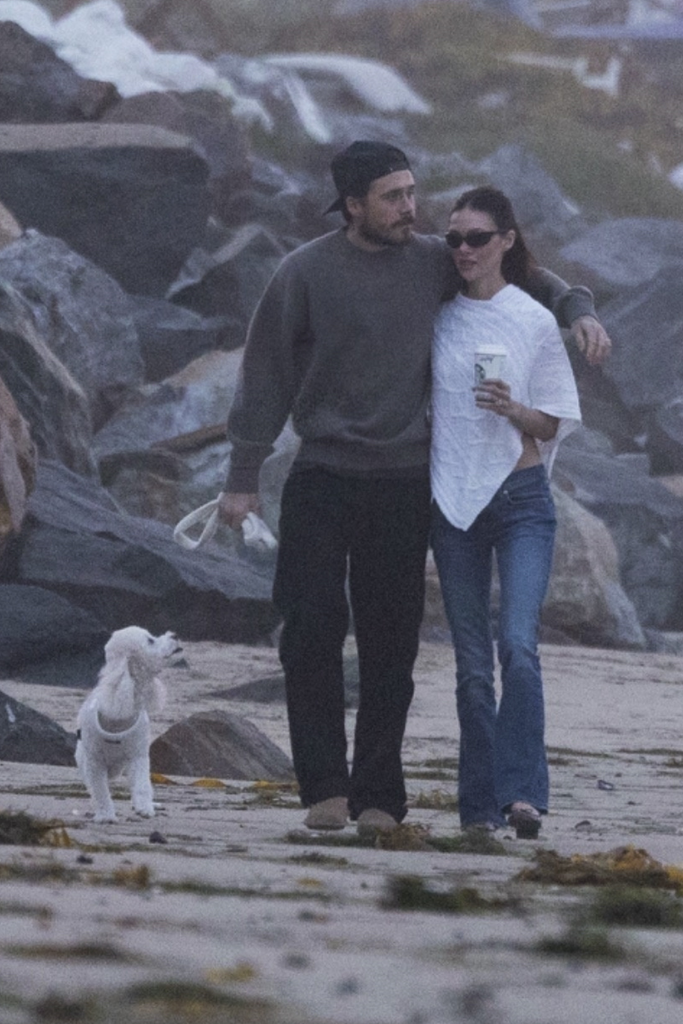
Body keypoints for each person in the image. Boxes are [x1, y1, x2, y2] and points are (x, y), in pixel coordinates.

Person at [218, 140, 608, 837]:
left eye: (410, 192)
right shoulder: (302, 272)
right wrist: (241, 478)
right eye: (394, 196)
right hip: (321, 475)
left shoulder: (432, 260)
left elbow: (521, 271)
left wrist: (577, 308)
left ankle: (379, 797)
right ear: (352, 204)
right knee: (309, 629)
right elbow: (266, 374)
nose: (411, 208)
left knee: (390, 645)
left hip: (400, 483)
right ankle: (324, 788)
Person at [430, 185, 582, 839]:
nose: (463, 250)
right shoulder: (433, 312)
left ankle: (522, 796)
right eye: (454, 239)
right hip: (451, 501)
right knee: (468, 667)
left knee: (517, 647)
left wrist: (511, 407)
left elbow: (551, 421)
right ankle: (477, 807)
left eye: (477, 238)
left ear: (506, 242)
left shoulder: (531, 320)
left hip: (521, 499)